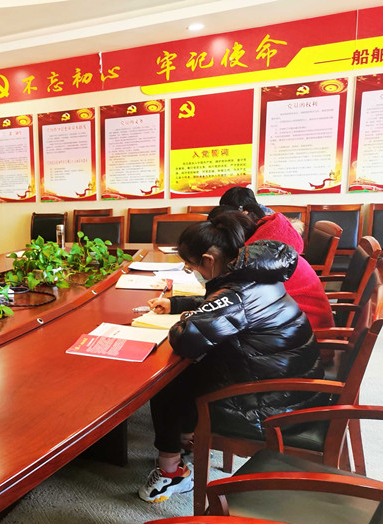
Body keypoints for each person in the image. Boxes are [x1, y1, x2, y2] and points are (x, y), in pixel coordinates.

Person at [138, 212, 326, 503]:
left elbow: (186, 338)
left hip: (273, 407)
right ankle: (183, 437)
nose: (193, 272)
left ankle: (171, 471)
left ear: (209, 260)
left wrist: (186, 318)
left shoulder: (237, 292)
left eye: (191, 266)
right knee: (190, 372)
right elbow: (222, 303)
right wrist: (177, 304)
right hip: (295, 388)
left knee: (168, 382)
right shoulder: (257, 272)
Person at [209, 203, 335, 332]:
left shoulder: (260, 263)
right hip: (295, 324)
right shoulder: (273, 251)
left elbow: (234, 310)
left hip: (310, 333)